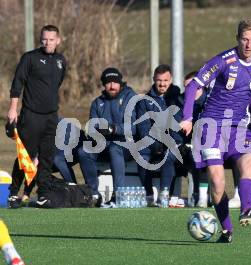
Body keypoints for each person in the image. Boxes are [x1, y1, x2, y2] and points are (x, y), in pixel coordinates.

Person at [180, 20, 251, 243]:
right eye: (244, 39)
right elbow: (194, 85)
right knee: (218, 184)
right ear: (237, 38)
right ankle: (226, 229)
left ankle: (247, 210)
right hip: (211, 128)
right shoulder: (223, 61)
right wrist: (187, 117)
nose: (248, 44)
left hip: (239, 128)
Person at [7, 25, 66, 207]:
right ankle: (14, 193)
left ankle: (42, 195)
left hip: (51, 117)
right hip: (31, 115)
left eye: (51, 39)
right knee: (27, 155)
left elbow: (57, 84)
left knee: (47, 157)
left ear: (58, 40)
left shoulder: (60, 61)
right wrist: (13, 109)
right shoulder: (30, 58)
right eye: (44, 39)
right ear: (40, 40)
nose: (47, 42)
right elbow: (18, 83)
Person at [78, 67, 137, 206]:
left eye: (115, 82)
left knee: (115, 148)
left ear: (120, 83)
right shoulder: (97, 103)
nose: (112, 86)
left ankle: (119, 195)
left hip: (126, 146)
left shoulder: (130, 98)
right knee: (84, 151)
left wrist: (113, 129)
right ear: (104, 84)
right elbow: (92, 127)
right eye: (108, 82)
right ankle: (93, 194)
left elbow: (133, 128)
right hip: (104, 144)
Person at [136, 64, 182, 206]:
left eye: (165, 80)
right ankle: (149, 195)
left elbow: (179, 124)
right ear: (154, 79)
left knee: (171, 153)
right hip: (152, 140)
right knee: (141, 155)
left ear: (171, 80)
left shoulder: (178, 98)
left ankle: (164, 193)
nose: (162, 84)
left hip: (174, 141)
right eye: (159, 80)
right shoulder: (144, 101)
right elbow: (143, 128)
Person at [177, 71, 210, 208]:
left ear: (201, 87)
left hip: (208, 143)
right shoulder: (179, 102)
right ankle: (172, 197)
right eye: (186, 88)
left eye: (192, 87)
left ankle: (204, 196)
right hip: (185, 145)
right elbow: (174, 126)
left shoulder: (210, 101)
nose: (189, 91)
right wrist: (179, 143)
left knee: (202, 154)